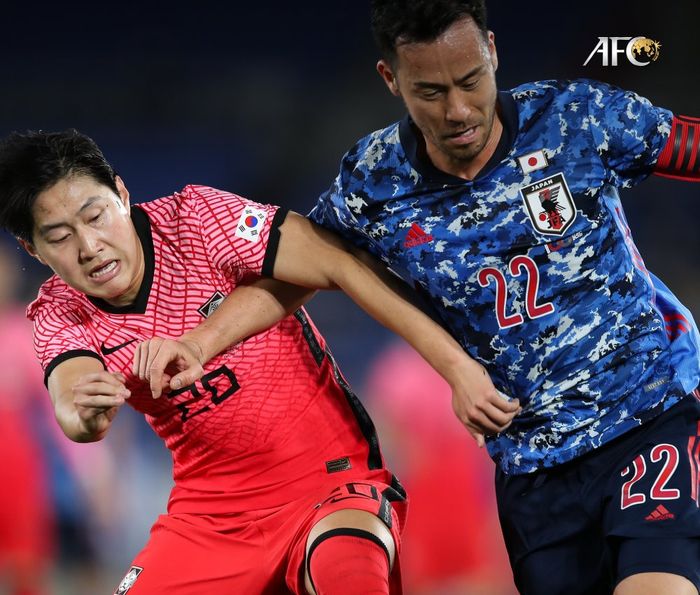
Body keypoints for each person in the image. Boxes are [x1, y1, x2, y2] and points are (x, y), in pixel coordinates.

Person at [144, 1, 700, 593]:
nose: (458, 110)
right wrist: (201, 342)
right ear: (392, 80)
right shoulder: (374, 181)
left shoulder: (577, 118)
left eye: (470, 81)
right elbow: (296, 273)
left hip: (648, 411)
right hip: (530, 462)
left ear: (492, 51)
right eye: (430, 92)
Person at [0, 129, 513, 595]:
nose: (90, 246)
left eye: (95, 215)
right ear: (33, 248)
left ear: (122, 193)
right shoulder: (57, 313)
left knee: (351, 579)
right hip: (207, 516)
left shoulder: (197, 220)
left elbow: (337, 259)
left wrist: (457, 369)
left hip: (331, 482)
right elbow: (71, 399)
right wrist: (85, 414)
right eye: (61, 237)